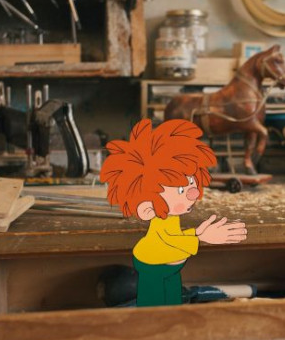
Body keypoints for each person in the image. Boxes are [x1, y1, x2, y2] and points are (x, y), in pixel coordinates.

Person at [100, 119, 247, 306]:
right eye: (180, 189)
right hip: (157, 272)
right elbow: (162, 243)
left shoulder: (170, 218)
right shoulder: (157, 228)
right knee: (158, 310)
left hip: (168, 271)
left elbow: (171, 238)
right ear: (147, 209)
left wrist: (197, 234)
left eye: (192, 183)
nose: (193, 193)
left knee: (173, 306)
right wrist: (200, 238)